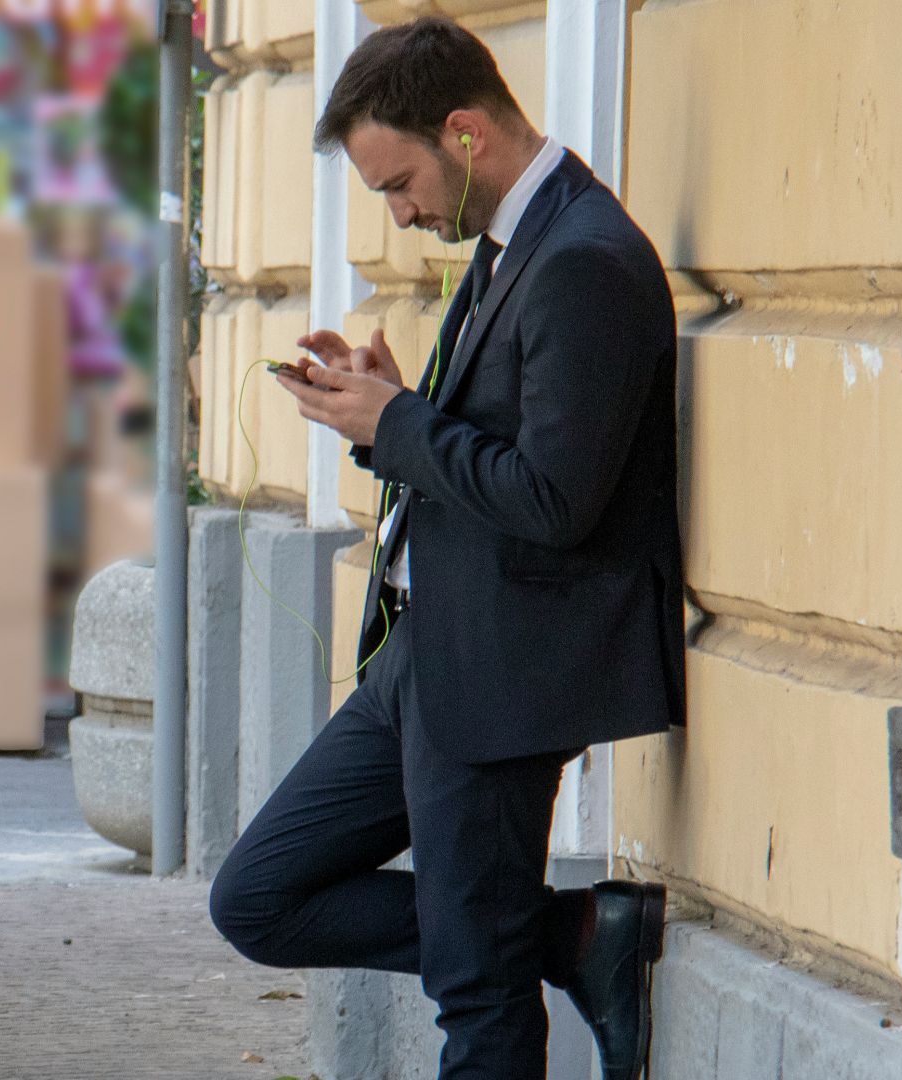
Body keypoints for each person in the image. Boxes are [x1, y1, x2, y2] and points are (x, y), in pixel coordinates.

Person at [207, 18, 685, 1080]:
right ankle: (568, 936)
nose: (402, 210)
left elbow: (559, 499)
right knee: (258, 895)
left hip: (506, 672)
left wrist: (402, 426)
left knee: (479, 999)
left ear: (465, 132)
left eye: (400, 181)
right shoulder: (518, 240)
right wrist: (397, 406)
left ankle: (532, 940)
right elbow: (506, 447)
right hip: (431, 656)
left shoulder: (586, 259)